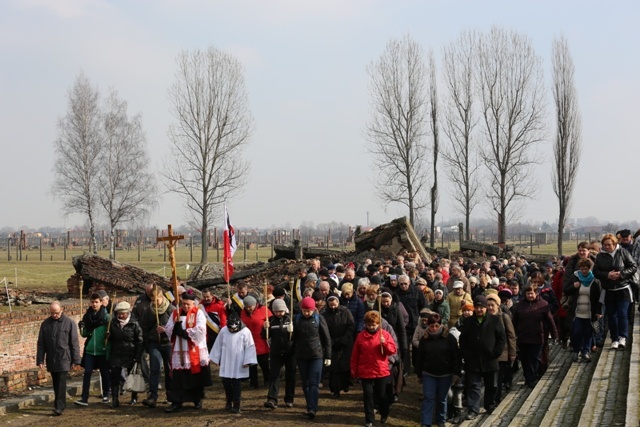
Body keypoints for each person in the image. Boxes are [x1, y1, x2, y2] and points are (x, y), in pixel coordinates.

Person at [162, 291, 212, 412]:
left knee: (194, 376)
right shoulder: (175, 313)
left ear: (193, 303)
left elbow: (200, 330)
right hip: (179, 350)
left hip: (193, 349)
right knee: (178, 378)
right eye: (184, 304)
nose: (185, 306)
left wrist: (184, 333)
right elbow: (168, 328)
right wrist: (174, 329)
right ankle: (176, 402)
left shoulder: (198, 313)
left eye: (188, 304)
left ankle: (196, 400)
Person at [458, 295, 506, 420]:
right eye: (477, 307)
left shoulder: (495, 320)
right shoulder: (468, 321)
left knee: (492, 385)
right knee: (473, 386)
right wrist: (466, 354)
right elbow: (462, 340)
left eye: (482, 307)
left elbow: (502, 338)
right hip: (473, 360)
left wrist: (495, 353)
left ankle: (489, 405)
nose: (479, 310)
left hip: (490, 360)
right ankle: (473, 409)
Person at [351, 310, 397, 427]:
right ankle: (369, 419)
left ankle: (384, 412)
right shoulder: (360, 337)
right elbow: (355, 355)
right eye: (369, 325)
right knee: (368, 395)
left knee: (381, 394)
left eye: (374, 325)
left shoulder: (384, 334)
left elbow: (392, 350)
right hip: (365, 371)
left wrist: (385, 343)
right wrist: (354, 370)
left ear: (378, 324)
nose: (371, 327)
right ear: (365, 324)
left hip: (381, 370)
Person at [415, 313, 461, 427]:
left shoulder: (449, 338)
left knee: (442, 398)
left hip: (445, 373)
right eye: (431, 326)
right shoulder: (424, 339)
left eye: (436, 326)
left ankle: (441, 420)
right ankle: (426, 422)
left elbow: (456, 355)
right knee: (428, 398)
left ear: (441, 325)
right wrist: (419, 373)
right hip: (428, 373)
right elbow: (419, 357)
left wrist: (457, 372)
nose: (434, 328)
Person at [36, 301, 82, 416]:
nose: (54, 315)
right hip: (52, 358)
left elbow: (74, 343)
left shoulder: (69, 323)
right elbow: (41, 344)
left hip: (64, 357)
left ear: (61, 310)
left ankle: (59, 406)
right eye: (52, 313)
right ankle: (61, 404)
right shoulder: (45, 324)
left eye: (56, 313)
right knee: (56, 382)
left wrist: (76, 360)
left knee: (61, 382)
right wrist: (40, 359)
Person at [593, 233, 638, 349]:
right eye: (604, 245)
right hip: (608, 289)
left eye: (609, 245)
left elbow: (633, 266)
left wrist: (621, 274)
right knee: (612, 316)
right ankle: (614, 338)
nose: (607, 247)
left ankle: (623, 337)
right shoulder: (600, 256)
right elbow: (596, 272)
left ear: (614, 244)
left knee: (622, 314)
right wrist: (608, 275)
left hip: (623, 288)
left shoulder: (623, 252)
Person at [292, 297, 332, 420]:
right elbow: (293, 339)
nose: (307, 313)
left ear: (313, 309)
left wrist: (328, 356)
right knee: (306, 383)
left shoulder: (319, 319)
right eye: (304, 310)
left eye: (309, 311)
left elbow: (326, 338)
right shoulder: (297, 319)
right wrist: (289, 332)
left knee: (314, 382)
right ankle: (310, 404)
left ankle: (312, 407)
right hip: (301, 355)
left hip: (316, 355)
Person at [210, 313, 257, 414]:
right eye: (230, 329)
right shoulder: (223, 331)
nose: (231, 331)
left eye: (233, 329)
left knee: (236, 383)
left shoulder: (245, 331)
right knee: (226, 382)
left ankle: (236, 403)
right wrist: (216, 358)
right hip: (226, 360)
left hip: (239, 361)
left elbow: (250, 347)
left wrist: (248, 360)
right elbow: (218, 344)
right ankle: (228, 401)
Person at [511, 285, 558, 388]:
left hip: (537, 336)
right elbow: (514, 321)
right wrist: (512, 334)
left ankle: (531, 378)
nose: (530, 295)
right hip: (523, 337)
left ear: (536, 293)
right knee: (524, 359)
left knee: (534, 358)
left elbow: (550, 321)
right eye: (528, 293)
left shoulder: (543, 304)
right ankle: (528, 377)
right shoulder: (520, 305)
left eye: (531, 293)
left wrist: (554, 334)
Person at [139, 287, 175, 408]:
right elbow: (144, 327)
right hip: (154, 343)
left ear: (162, 297)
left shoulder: (171, 310)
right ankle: (152, 396)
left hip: (168, 343)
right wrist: (151, 335)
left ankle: (170, 394)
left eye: (157, 300)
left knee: (169, 369)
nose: (155, 303)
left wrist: (165, 330)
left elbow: (176, 326)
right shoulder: (149, 311)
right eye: (152, 300)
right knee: (154, 368)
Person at [563, 258, 602, 362]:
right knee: (576, 332)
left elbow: (599, 296)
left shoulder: (595, 280)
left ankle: (585, 351)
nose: (584, 271)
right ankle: (576, 350)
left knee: (588, 333)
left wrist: (599, 311)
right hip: (576, 312)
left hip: (590, 312)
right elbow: (566, 290)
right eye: (582, 269)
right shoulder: (575, 277)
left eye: (586, 269)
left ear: (590, 269)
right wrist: (573, 287)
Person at [75, 292, 111, 406]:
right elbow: (84, 334)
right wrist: (81, 327)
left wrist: (109, 334)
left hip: (102, 349)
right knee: (87, 372)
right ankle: (84, 398)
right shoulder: (87, 316)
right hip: (90, 350)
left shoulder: (106, 317)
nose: (94, 304)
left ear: (101, 302)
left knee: (104, 373)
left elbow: (112, 331)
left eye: (96, 302)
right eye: (92, 302)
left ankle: (106, 394)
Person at [107, 301, 143, 407]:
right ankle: (115, 399)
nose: (121, 316)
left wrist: (137, 356)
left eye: (123, 314)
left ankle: (134, 397)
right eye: (119, 314)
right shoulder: (113, 323)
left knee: (132, 375)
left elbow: (140, 341)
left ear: (128, 313)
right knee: (115, 377)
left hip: (130, 353)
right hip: (117, 353)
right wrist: (108, 337)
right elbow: (111, 339)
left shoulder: (135, 323)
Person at [263, 298, 296, 409]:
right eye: (276, 311)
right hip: (276, 352)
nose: (279, 313)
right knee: (275, 375)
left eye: (281, 311)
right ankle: (272, 399)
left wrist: (293, 331)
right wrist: (265, 329)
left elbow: (297, 336)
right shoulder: (271, 320)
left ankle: (289, 398)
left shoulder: (290, 319)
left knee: (290, 375)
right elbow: (264, 336)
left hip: (290, 352)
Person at [322, 294, 355, 398]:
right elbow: (324, 329)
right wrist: (330, 340)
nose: (332, 307)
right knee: (334, 368)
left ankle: (345, 384)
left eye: (334, 305)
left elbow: (351, 325)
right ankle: (335, 389)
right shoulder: (325, 314)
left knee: (344, 366)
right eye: (330, 305)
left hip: (345, 343)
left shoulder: (346, 312)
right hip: (331, 343)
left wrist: (344, 339)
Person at [485, 293, 516, 400]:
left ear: (497, 305)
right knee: (490, 379)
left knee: (497, 379)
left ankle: (496, 398)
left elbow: (511, 335)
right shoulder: (485, 318)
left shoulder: (504, 317)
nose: (490, 308)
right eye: (488, 305)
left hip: (502, 354)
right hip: (488, 354)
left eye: (492, 305)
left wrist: (512, 353)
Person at [240, 295, 272, 388]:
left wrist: (267, 325)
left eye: (250, 306)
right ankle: (253, 383)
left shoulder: (264, 310)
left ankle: (268, 380)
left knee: (264, 364)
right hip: (249, 342)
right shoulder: (243, 312)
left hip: (261, 341)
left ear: (255, 304)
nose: (249, 308)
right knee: (251, 365)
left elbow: (272, 320)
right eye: (247, 307)